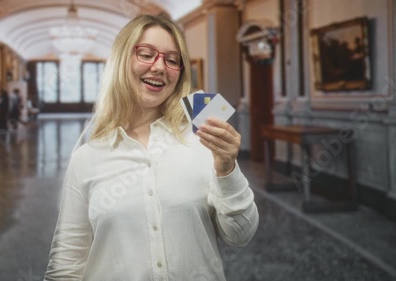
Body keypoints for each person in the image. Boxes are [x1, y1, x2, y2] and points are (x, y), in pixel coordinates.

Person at [44, 14, 258, 281]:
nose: (159, 67)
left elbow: (240, 236)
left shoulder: (202, 143)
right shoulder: (86, 159)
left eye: (171, 60)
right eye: (146, 54)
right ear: (122, 60)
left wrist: (227, 170)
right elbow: (67, 262)